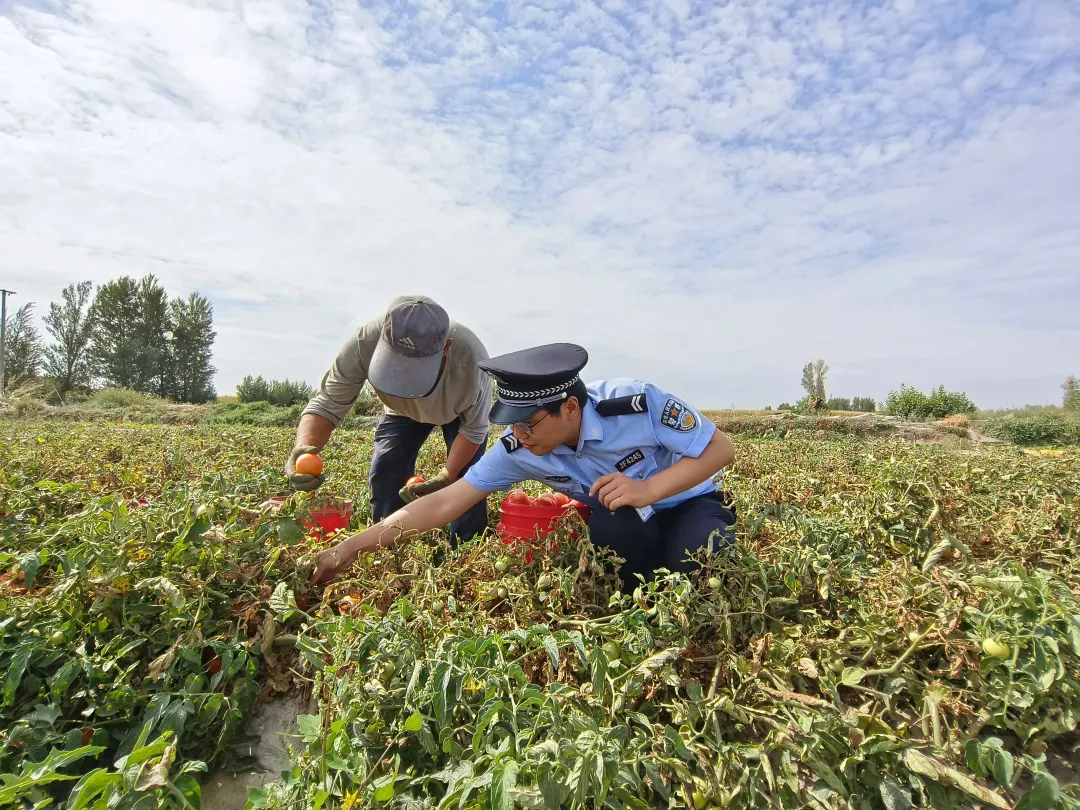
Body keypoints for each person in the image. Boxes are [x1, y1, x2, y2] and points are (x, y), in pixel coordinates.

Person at [310, 342, 736, 585]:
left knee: (701, 557)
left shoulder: (634, 405)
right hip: (626, 515)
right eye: (513, 427)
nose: (519, 437)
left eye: (529, 425)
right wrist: (350, 547)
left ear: (570, 408)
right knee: (615, 534)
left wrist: (649, 489)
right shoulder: (521, 447)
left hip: (687, 500)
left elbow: (721, 449)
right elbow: (444, 504)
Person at [287, 295, 491, 544]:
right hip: (400, 411)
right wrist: (304, 450)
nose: (405, 376)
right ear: (383, 338)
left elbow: (474, 430)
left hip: (457, 415)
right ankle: (387, 545)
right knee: (386, 473)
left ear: (445, 349)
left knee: (467, 483)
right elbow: (328, 403)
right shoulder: (364, 342)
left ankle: (465, 548)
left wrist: (447, 476)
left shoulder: (471, 362)